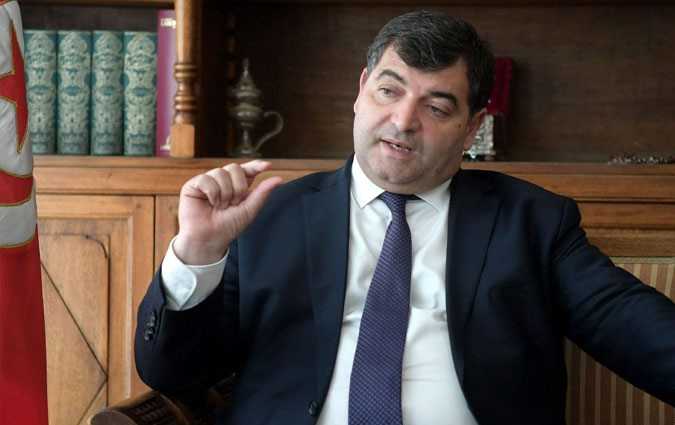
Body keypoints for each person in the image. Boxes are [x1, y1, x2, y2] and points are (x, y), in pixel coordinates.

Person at [135, 10, 675, 425]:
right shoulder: (266, 216)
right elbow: (171, 374)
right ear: (361, 91)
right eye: (389, 91)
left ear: (471, 127)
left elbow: (634, 327)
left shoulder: (532, 222)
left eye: (436, 107)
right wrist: (197, 255)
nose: (403, 120)